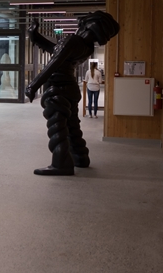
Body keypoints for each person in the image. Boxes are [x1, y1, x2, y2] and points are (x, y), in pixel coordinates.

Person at [25, 11, 120, 176]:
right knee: (72, 125)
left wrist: (33, 86)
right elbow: (56, 51)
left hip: (57, 88)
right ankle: (80, 157)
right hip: (70, 88)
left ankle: (61, 164)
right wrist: (35, 36)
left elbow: (54, 62)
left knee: (57, 127)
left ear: (88, 26)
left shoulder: (73, 41)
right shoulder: (87, 47)